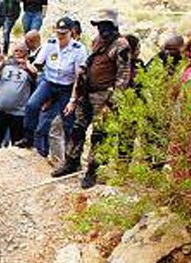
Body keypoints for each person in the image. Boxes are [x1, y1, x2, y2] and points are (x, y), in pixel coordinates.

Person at [53, 9, 133, 189]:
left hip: (105, 95)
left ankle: (93, 170)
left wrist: (112, 102)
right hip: (87, 92)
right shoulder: (98, 41)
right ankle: (72, 162)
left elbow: (123, 75)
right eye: (99, 26)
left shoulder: (121, 45)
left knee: (100, 135)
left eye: (105, 25)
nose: (102, 29)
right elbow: (86, 66)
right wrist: (76, 95)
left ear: (113, 25)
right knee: (77, 128)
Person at [21, 16, 87, 157]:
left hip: (67, 87)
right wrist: (27, 65)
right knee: (32, 105)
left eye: (64, 33)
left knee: (68, 121)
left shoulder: (78, 49)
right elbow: (38, 65)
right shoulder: (50, 44)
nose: (60, 36)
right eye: (58, 33)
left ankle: (72, 155)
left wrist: (73, 100)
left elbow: (78, 77)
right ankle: (28, 138)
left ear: (71, 32)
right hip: (49, 83)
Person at [0, 41, 35, 149]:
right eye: (16, 51)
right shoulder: (5, 65)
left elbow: (35, 77)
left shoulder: (28, 67)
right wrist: (2, 63)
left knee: (17, 145)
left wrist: (26, 66)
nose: (17, 53)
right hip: (1, 110)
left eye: (21, 51)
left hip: (19, 113)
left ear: (26, 53)